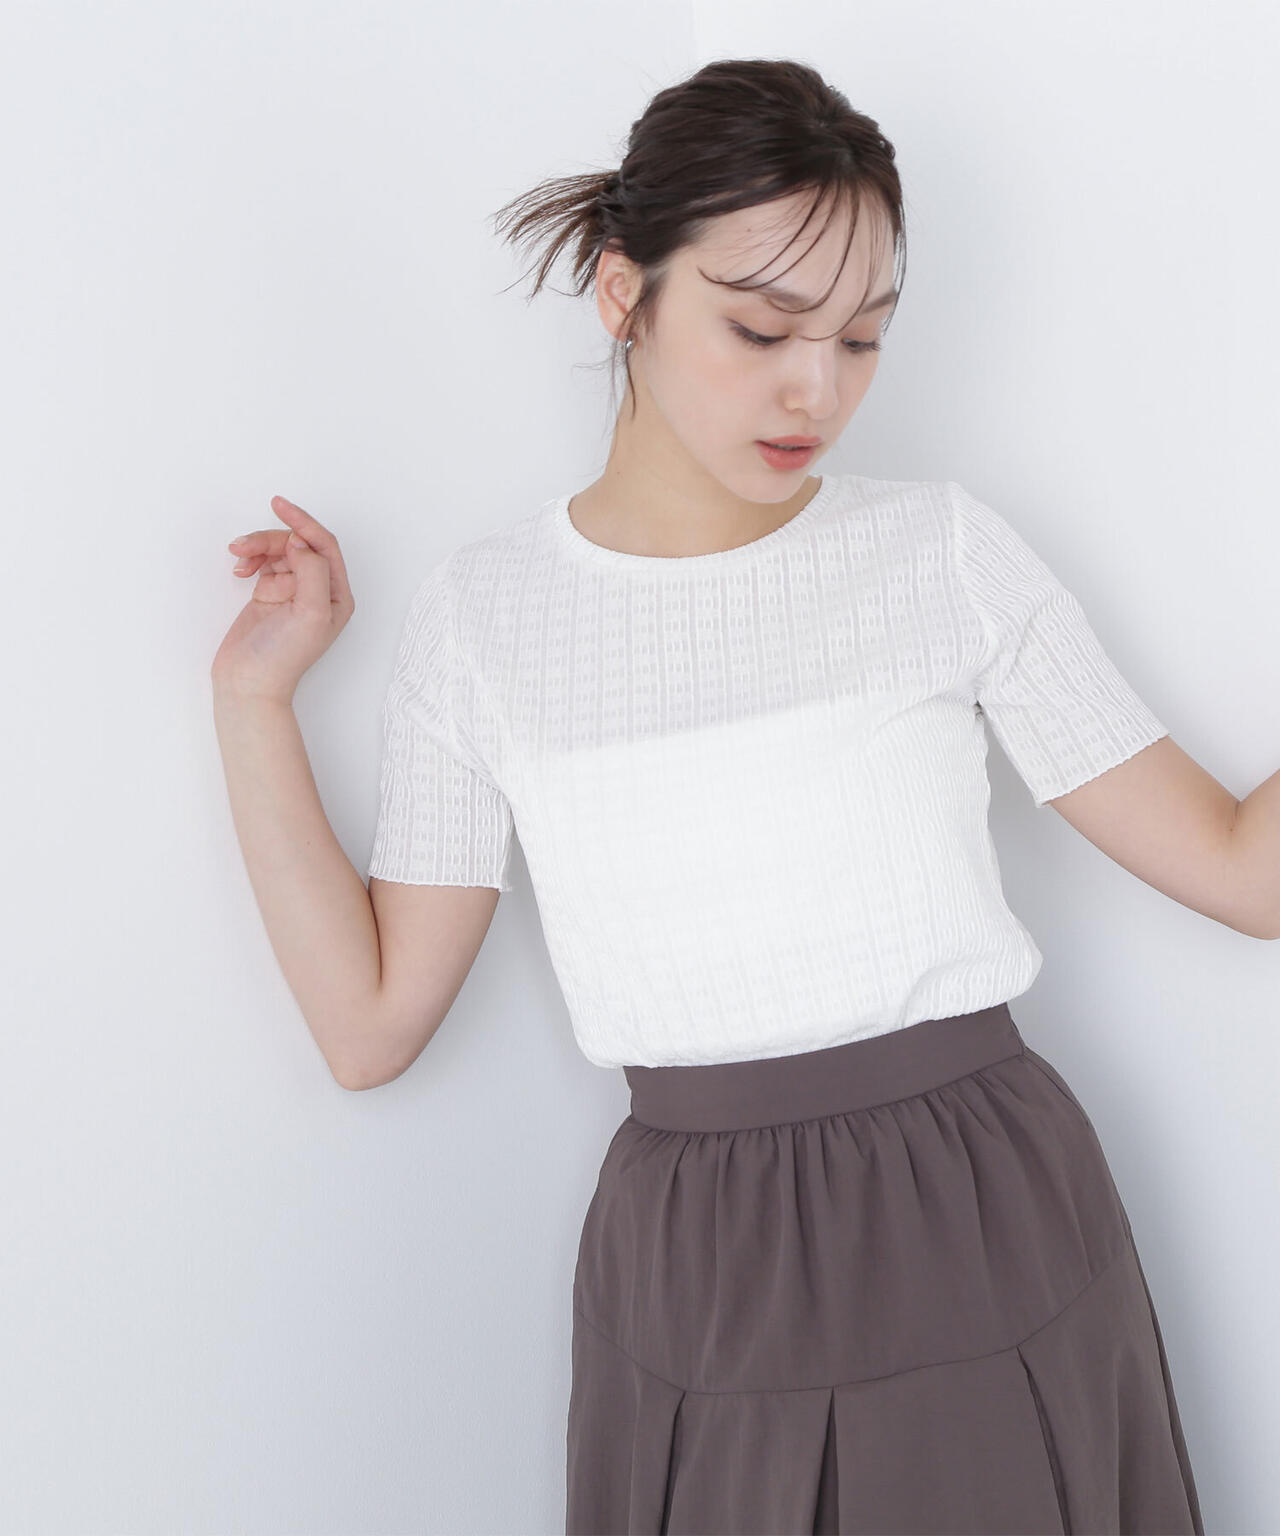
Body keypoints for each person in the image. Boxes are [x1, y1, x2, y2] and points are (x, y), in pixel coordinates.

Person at [210, 56, 1236, 1535]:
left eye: (864, 338)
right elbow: (369, 1028)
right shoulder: (487, 620)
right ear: (624, 293)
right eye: (761, 328)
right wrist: (255, 700)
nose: (818, 389)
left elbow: (1242, 871)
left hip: (977, 1211)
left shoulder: (939, 553)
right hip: (693, 1261)